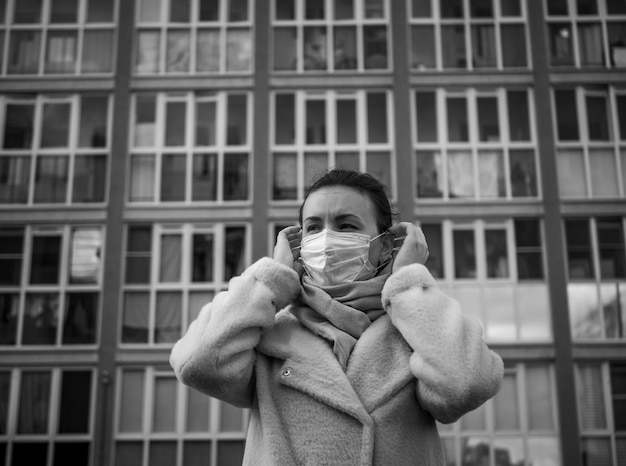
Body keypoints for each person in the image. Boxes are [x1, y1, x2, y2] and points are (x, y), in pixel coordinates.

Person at [170, 169, 504, 465]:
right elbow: (197, 361)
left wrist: (409, 284)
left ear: (385, 247)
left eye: (346, 225)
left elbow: (467, 384)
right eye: (313, 228)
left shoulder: (416, 331)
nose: (326, 240)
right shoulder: (268, 335)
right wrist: (274, 278)